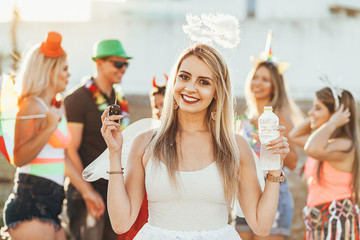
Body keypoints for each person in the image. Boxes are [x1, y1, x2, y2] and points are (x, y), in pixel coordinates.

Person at [100, 43, 290, 239]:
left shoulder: (235, 147)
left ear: (217, 91)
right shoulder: (145, 144)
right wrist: (114, 153)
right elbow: (121, 223)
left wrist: (275, 165)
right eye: (184, 77)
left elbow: (261, 226)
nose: (190, 88)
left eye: (204, 82)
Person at [1, 32, 103, 240]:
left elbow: (61, 157)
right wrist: (48, 127)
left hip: (53, 202)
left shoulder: (57, 107)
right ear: (50, 71)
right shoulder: (31, 105)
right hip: (31, 199)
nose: (68, 74)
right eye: (64, 69)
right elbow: (19, 157)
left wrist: (87, 193)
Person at [235, 32, 303, 240]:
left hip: (274, 195)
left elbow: (293, 162)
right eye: (256, 77)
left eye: (265, 79)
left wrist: (274, 142)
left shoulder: (279, 115)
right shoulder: (244, 119)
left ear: (275, 86)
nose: (258, 82)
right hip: (244, 196)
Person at [64, 39, 131, 240]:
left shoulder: (118, 100)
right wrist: (88, 193)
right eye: (118, 64)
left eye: (126, 64)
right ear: (99, 64)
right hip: (86, 193)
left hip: (113, 191)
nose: (123, 69)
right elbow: (69, 150)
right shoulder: (78, 98)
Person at [289, 86, 360, 239]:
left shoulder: (345, 145)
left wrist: (332, 122)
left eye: (317, 108)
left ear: (336, 114)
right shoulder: (325, 145)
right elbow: (294, 136)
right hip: (317, 219)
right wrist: (318, 117)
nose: (310, 113)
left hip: (338, 220)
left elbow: (311, 148)